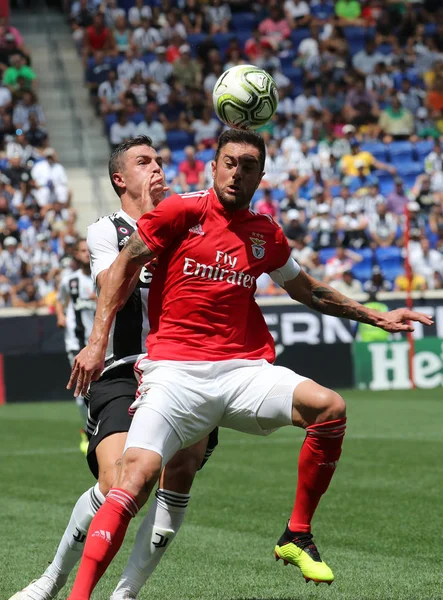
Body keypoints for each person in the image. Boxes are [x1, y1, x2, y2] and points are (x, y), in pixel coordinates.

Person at [66, 129, 432, 599]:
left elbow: (308, 290)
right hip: (175, 372)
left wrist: (375, 316)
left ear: (262, 175)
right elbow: (121, 269)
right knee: (132, 480)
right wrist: (98, 343)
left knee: (330, 408)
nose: (238, 172)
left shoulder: (265, 232)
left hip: (243, 372)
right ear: (214, 166)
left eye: (249, 165)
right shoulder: (180, 211)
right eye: (230, 162)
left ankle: (297, 533)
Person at [10, 136, 218, 600]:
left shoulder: (188, 223)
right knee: (118, 479)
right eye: (144, 162)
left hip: (186, 370)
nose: (157, 168)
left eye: (160, 160)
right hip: (125, 370)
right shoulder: (107, 231)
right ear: (120, 179)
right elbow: (113, 287)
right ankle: (51, 581)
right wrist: (152, 228)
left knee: (179, 472)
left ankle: (125, 593)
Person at [55, 238, 96, 442]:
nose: (86, 254)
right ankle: (87, 433)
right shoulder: (70, 281)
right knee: (82, 390)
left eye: (88, 250)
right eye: (82, 251)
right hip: (76, 343)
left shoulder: (104, 277)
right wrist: (60, 316)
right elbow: (59, 301)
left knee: (101, 388)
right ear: (76, 255)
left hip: (100, 345)